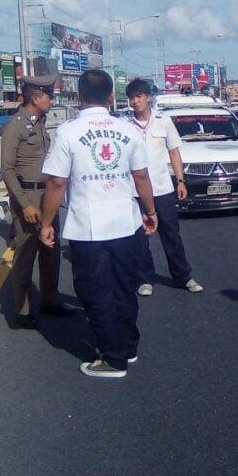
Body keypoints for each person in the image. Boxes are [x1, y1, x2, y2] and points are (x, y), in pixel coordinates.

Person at [39, 69, 158, 379]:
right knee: (124, 287)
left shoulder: (67, 132)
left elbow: (55, 183)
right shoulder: (128, 130)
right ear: (109, 97)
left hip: (88, 225)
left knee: (95, 290)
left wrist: (47, 222)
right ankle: (129, 346)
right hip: (125, 220)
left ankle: (113, 358)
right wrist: (150, 210)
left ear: (79, 96)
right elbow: (142, 176)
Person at [1, 74, 72, 330]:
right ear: (35, 97)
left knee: (51, 250)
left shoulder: (40, 123)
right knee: (26, 253)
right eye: (48, 96)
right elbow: (7, 170)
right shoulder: (15, 126)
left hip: (47, 196)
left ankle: (50, 300)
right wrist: (25, 204)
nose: (51, 100)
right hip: (29, 197)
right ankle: (21, 311)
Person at [125, 78, 203, 296]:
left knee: (171, 234)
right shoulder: (126, 127)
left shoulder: (163, 121)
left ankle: (183, 276)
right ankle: (145, 278)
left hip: (162, 188)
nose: (135, 101)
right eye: (132, 97)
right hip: (135, 191)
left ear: (148, 97)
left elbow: (174, 152)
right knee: (140, 236)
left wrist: (180, 180)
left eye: (139, 96)